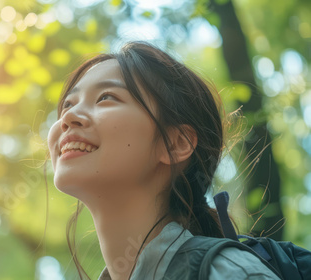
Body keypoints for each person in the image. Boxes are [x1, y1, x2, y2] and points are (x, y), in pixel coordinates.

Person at [47, 41, 280, 279]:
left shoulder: (229, 272)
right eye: (68, 104)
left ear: (176, 143)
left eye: (106, 97)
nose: (69, 117)